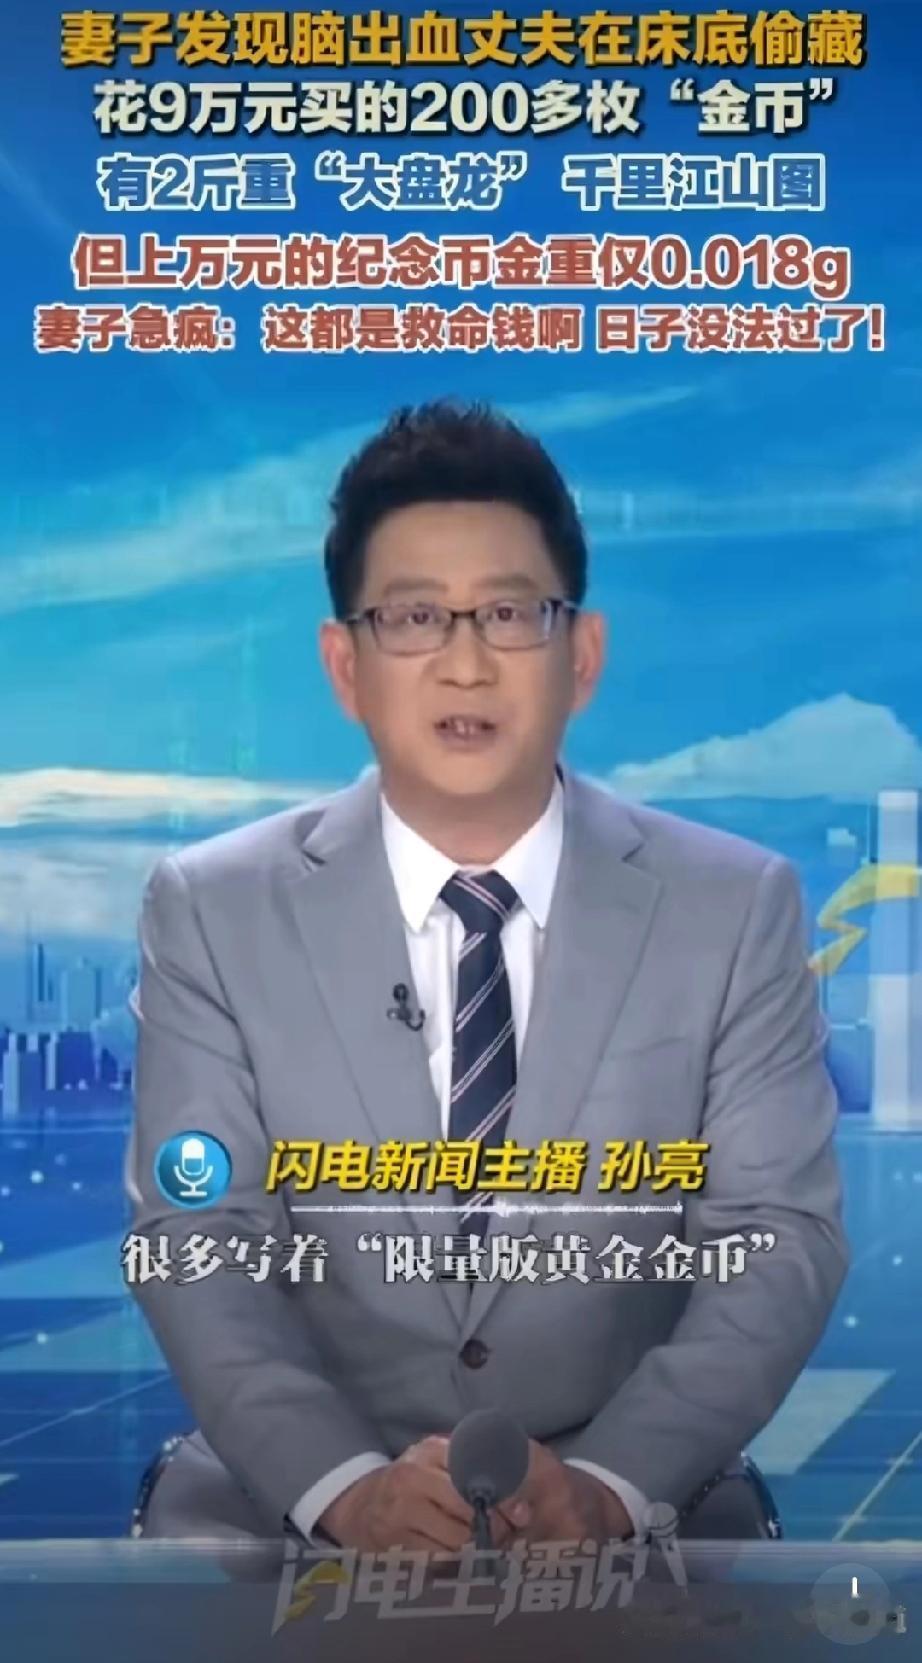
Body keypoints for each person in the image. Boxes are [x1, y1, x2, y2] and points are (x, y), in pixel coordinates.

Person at [127, 399, 849, 1555]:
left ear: (582, 654)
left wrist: (608, 1486)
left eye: (510, 613)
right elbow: (199, 1235)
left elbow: (775, 1240)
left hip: (629, 1491)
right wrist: (345, 1489)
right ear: (345, 665)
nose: (465, 662)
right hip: (299, 1501)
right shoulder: (212, 908)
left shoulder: (733, 904)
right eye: (414, 616)